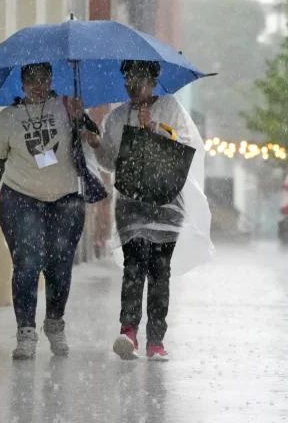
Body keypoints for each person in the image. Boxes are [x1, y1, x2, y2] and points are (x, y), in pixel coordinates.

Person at [0, 62, 102, 360]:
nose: (38, 85)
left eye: (44, 79)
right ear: (22, 83)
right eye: (31, 80)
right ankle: (25, 331)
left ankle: (54, 323)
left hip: (65, 199)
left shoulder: (67, 105)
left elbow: (94, 138)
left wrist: (82, 120)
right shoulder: (8, 118)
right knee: (27, 263)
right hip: (21, 198)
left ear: (52, 79)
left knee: (59, 266)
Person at [83, 59, 211, 361]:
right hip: (130, 202)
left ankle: (156, 339)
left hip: (166, 202)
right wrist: (98, 145)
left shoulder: (170, 108)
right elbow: (110, 162)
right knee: (133, 267)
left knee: (159, 271)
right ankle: (128, 331)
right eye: (128, 78)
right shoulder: (116, 117)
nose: (133, 85)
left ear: (154, 81)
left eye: (139, 79)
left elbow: (186, 148)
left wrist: (154, 130)